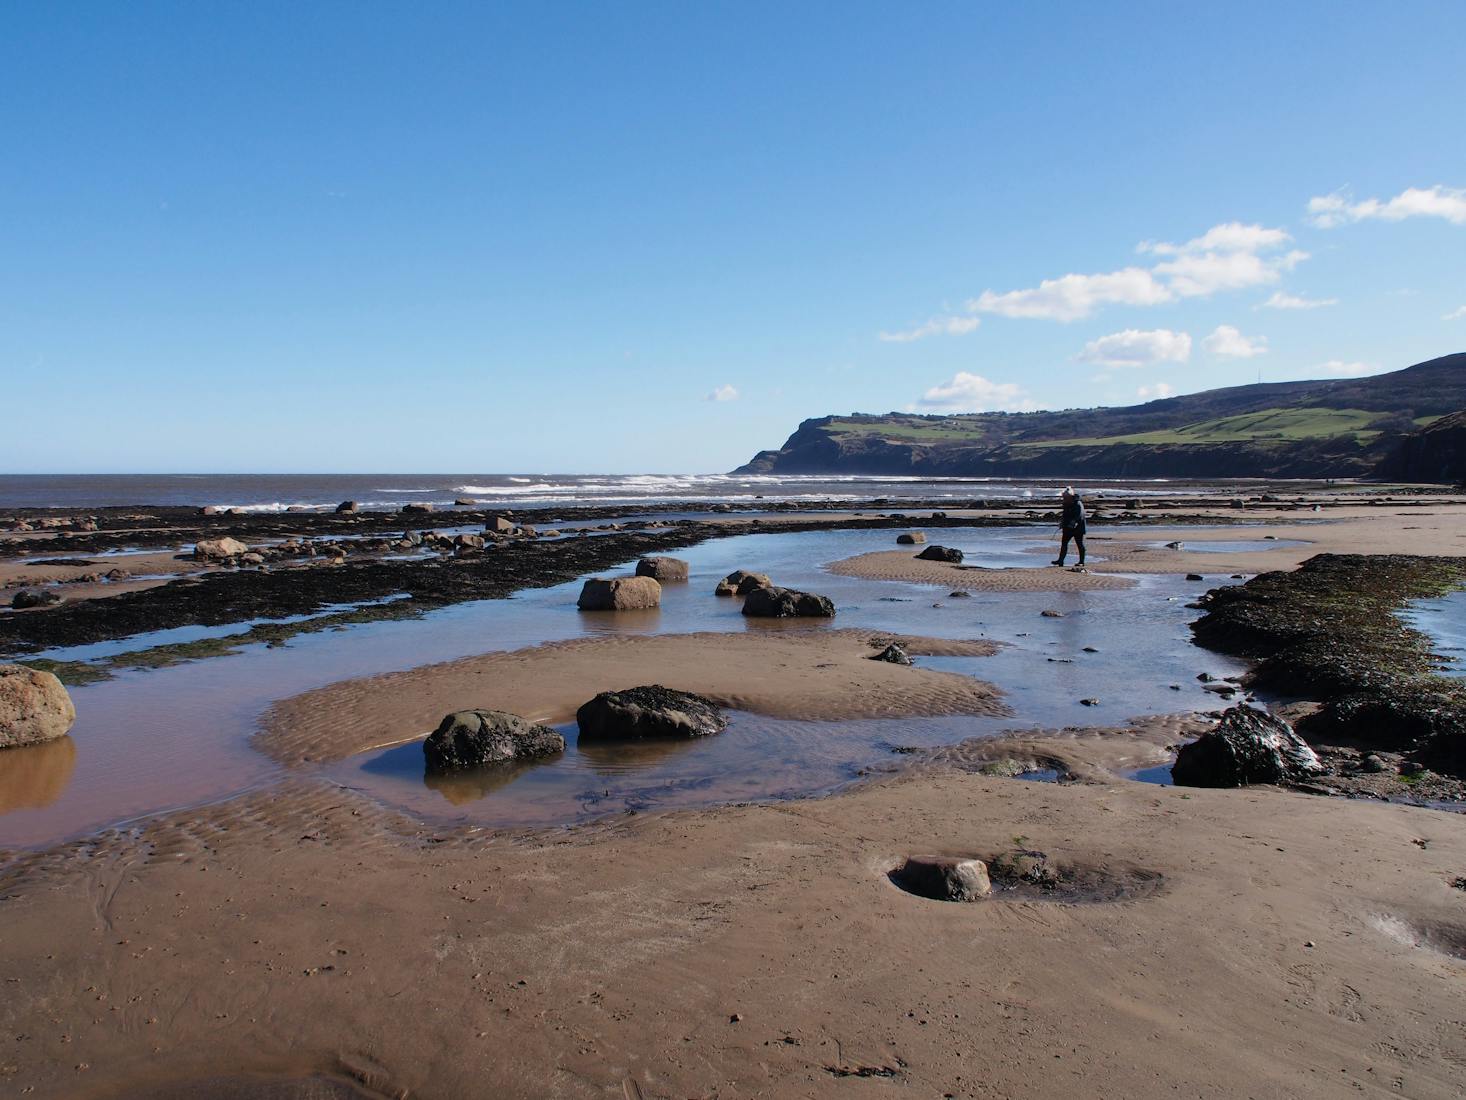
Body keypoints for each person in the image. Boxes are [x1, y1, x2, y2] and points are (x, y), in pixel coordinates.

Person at [1053, 486, 1086, 567]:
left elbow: (1080, 515)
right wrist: (1062, 523)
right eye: (1064, 497)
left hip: (1078, 528)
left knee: (1079, 544)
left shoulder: (1078, 503)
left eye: (1066, 497)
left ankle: (1081, 562)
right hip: (1067, 527)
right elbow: (1064, 515)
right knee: (1064, 544)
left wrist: (1073, 523)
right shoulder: (1066, 503)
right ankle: (1060, 561)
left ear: (1071, 496)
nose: (1064, 498)